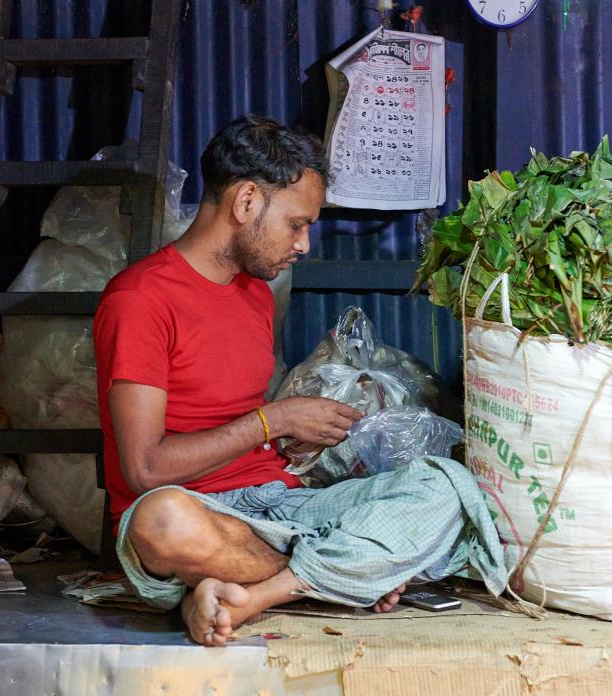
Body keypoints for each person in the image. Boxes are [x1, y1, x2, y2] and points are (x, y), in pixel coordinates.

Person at [92, 115, 504, 646]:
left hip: (278, 506)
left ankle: (257, 593)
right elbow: (146, 469)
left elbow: (233, 424)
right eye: (297, 223)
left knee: (447, 485)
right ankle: (337, 578)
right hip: (198, 514)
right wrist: (274, 418)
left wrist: (294, 438)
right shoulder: (140, 299)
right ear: (245, 203)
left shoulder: (255, 294)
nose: (305, 244)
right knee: (162, 521)